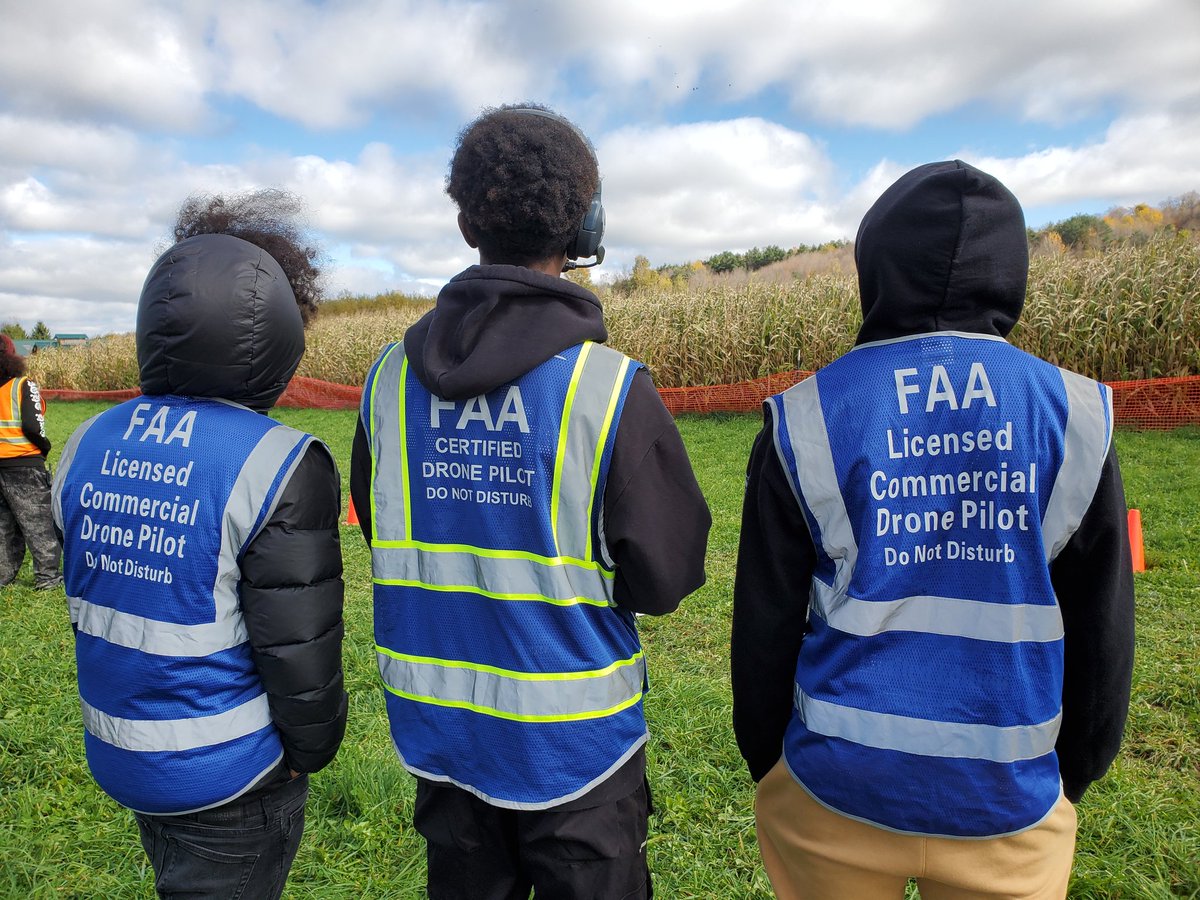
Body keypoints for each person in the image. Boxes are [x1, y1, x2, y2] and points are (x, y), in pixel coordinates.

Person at [732, 161, 1135, 899]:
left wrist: (770, 762)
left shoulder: (806, 415)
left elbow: (764, 621)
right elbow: (1102, 622)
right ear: (1010, 272)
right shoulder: (1073, 415)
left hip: (831, 792)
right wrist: (1073, 771)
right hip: (1011, 804)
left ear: (874, 266)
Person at [351, 104, 711, 899]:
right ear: (586, 224)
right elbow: (666, 576)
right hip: (577, 754)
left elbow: (382, 524)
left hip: (441, 732)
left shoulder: (385, 382)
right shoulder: (608, 388)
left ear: (464, 218)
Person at [50, 191, 348, 899]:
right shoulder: (278, 461)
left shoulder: (88, 441)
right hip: (232, 773)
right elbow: (298, 648)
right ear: (276, 332)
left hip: (122, 754)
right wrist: (310, 753)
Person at [0, 332, 62, 590]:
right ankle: (47, 578)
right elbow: (32, 426)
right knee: (39, 524)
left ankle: (3, 577)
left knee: (4, 528)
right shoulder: (23, 386)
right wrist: (44, 448)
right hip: (24, 464)